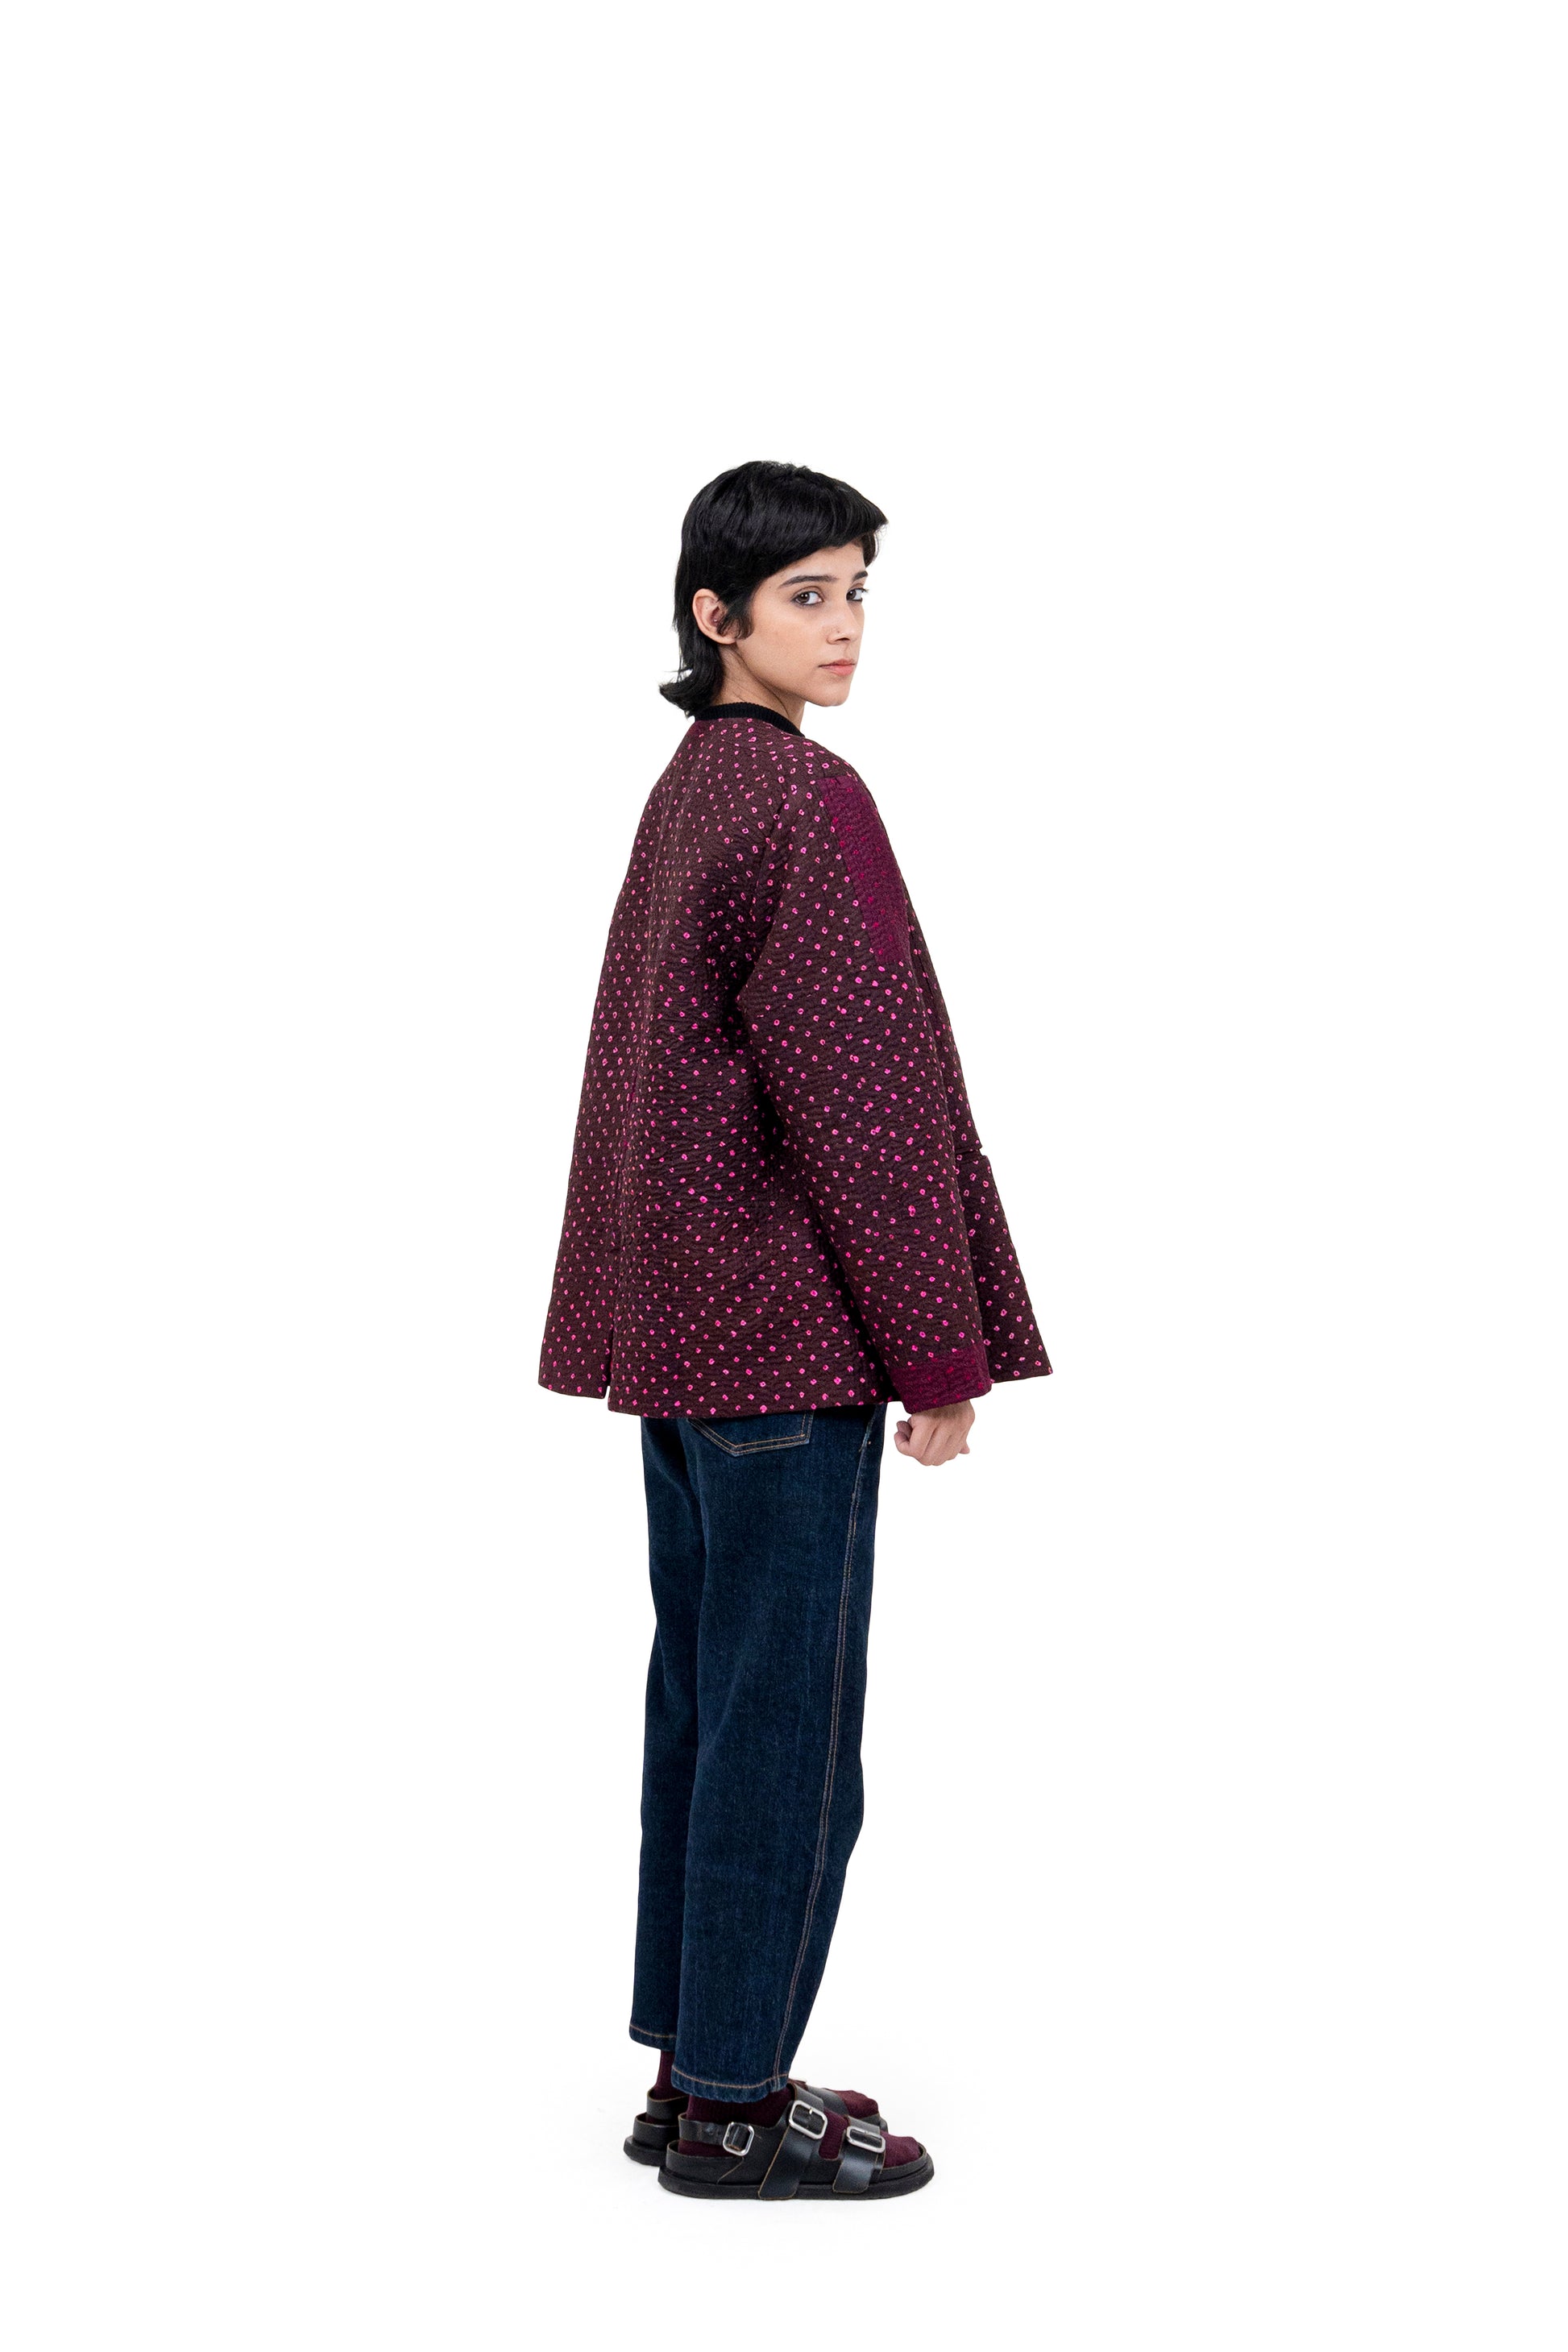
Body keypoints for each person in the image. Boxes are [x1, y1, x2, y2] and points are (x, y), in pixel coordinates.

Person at [539, 459, 1052, 2201]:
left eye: (856, 593)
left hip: (689, 1348)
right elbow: (869, 1098)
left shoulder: (693, 787)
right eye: (805, 597)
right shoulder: (803, 799)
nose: (842, 630)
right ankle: (742, 2109)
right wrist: (941, 1352)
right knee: (786, 1734)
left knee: (709, 1706)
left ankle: (692, 2076)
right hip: (787, 1344)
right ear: (715, 616)